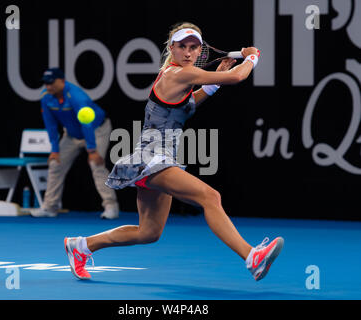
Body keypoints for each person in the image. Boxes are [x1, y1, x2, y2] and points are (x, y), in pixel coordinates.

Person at [64, 22, 284, 280]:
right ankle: (252, 256)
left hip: (156, 158)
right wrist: (253, 57)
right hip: (152, 159)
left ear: (201, 50)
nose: (189, 53)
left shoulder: (180, 75)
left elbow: (186, 107)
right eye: (182, 47)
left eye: (194, 48)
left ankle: (80, 246)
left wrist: (213, 87)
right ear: (172, 48)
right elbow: (237, 77)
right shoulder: (178, 74)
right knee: (210, 197)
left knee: (148, 233)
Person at [31, 67, 119, 219]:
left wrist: (92, 150)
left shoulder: (77, 96)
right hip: (72, 135)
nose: (48, 86)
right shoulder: (46, 97)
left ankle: (111, 207)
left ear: (62, 81)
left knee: (96, 165)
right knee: (55, 164)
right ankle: (50, 207)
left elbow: (87, 124)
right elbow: (50, 125)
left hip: (96, 130)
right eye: (45, 83)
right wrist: (54, 149)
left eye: (51, 83)